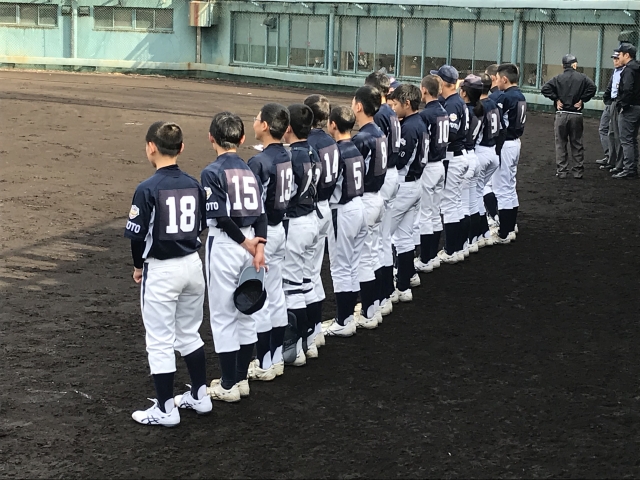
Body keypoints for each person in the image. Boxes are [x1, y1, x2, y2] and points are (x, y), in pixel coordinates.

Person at [127, 121, 210, 427]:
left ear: (151, 147)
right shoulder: (193, 183)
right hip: (192, 265)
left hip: (162, 271)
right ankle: (200, 396)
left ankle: (165, 409)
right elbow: (201, 224)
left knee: (160, 340)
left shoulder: (147, 188)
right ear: (181, 148)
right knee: (189, 333)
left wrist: (138, 266)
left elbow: (137, 238)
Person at [201, 112, 267, 403]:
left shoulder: (212, 171)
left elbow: (219, 216)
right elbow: (262, 213)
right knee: (246, 313)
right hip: (252, 243)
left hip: (229, 244)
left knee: (223, 315)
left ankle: (228, 384)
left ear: (211, 138)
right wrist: (258, 247)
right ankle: (241, 379)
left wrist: (244, 243)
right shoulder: (250, 168)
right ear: (241, 139)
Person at [246, 103, 292, 382]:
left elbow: (252, 205)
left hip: (263, 235)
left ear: (264, 126)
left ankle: (264, 362)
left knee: (261, 297)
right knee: (276, 294)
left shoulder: (259, 162)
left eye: (256, 118)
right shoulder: (286, 155)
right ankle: (275, 358)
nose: (253, 121)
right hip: (280, 230)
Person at [323, 105, 367, 337]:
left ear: (333, 124)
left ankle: (343, 320)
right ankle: (348, 317)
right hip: (359, 207)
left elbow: (328, 184)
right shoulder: (356, 148)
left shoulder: (336, 152)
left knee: (341, 267)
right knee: (352, 265)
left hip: (343, 211)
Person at [281, 104, 321, 358]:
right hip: (312, 220)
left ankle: (294, 350)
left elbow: (287, 194)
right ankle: (311, 341)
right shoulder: (313, 150)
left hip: (295, 222)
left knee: (292, 288)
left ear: (288, 128)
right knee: (307, 282)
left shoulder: (292, 156)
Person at [386, 84, 428, 303]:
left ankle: (386, 291)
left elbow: (400, 160)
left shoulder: (410, 127)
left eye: (395, 104)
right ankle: (404, 285)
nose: (393, 108)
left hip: (404, 186)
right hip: (415, 184)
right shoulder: (419, 122)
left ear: (407, 103)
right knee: (404, 237)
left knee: (384, 237)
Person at [351, 86, 387, 328]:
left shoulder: (362, 138)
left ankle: (368, 312)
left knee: (363, 258)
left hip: (365, 200)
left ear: (359, 106)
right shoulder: (379, 132)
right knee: (373, 253)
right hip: (377, 197)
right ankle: (375, 305)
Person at [304, 94, 338, 353]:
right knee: (314, 273)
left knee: (303, 277)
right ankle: (315, 333)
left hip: (311, 211)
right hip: (326, 207)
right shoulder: (331, 141)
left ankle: (306, 338)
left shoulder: (310, 143)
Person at [365, 72, 400, 317]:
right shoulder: (390, 112)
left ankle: (381, 296)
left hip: (385, 176)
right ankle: (386, 292)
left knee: (377, 240)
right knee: (384, 237)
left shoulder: (378, 114)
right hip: (393, 174)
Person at [431, 64, 469, 264]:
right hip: (458, 155)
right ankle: (458, 247)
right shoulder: (453, 101)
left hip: (453, 157)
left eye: (437, 78)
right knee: (455, 202)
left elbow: (451, 133)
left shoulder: (453, 104)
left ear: (444, 82)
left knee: (449, 204)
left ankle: (452, 250)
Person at [540, 54, 597, 179]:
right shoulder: (583, 77)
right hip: (576, 115)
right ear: (574, 65)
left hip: (561, 114)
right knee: (577, 143)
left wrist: (556, 99)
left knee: (561, 143)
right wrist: (582, 99)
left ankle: (562, 171)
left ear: (563, 66)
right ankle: (578, 171)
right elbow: (593, 88)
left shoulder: (558, 78)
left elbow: (545, 89)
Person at [415, 74, 447, 273]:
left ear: (424, 90)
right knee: (435, 212)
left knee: (425, 214)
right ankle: (432, 256)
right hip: (441, 165)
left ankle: (426, 258)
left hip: (429, 167)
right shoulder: (443, 110)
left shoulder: (426, 114)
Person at [492, 63, 526, 244]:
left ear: (504, 79)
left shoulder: (506, 97)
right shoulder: (520, 95)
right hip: (515, 143)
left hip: (505, 144)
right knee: (509, 187)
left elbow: (498, 122)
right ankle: (510, 227)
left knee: (501, 189)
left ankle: (504, 232)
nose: (496, 82)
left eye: (498, 78)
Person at [459, 75, 485, 251]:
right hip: (473, 155)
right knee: (472, 202)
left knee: (462, 206)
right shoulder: (478, 109)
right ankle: (473, 240)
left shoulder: (465, 111)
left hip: (465, 157)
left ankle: (463, 244)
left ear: (464, 93)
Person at [474, 74, 501, 246]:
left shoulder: (480, 106)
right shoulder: (494, 103)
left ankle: (484, 231)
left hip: (481, 151)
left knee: (475, 193)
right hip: (493, 151)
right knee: (484, 188)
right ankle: (493, 219)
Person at [614, 42, 640, 179]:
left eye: (620, 54)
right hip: (638, 107)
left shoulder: (629, 70)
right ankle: (633, 167)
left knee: (626, 139)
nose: (618, 56)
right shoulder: (637, 67)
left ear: (627, 55)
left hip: (630, 108)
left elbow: (627, 89)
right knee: (632, 139)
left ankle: (629, 169)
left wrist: (622, 105)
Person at [601, 51, 625, 173]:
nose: (615, 61)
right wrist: (607, 100)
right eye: (614, 58)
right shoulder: (615, 71)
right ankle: (611, 160)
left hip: (618, 104)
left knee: (618, 134)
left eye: (617, 58)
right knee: (610, 132)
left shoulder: (626, 71)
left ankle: (619, 164)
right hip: (612, 102)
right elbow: (610, 87)